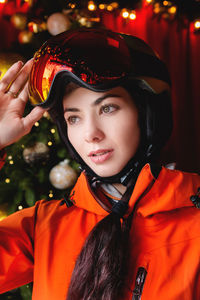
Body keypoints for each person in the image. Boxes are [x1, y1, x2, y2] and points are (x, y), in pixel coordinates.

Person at [0, 28, 200, 300]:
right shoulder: (43, 225)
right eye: (74, 118)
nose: (90, 134)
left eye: (107, 108)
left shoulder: (194, 219)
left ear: (147, 114)